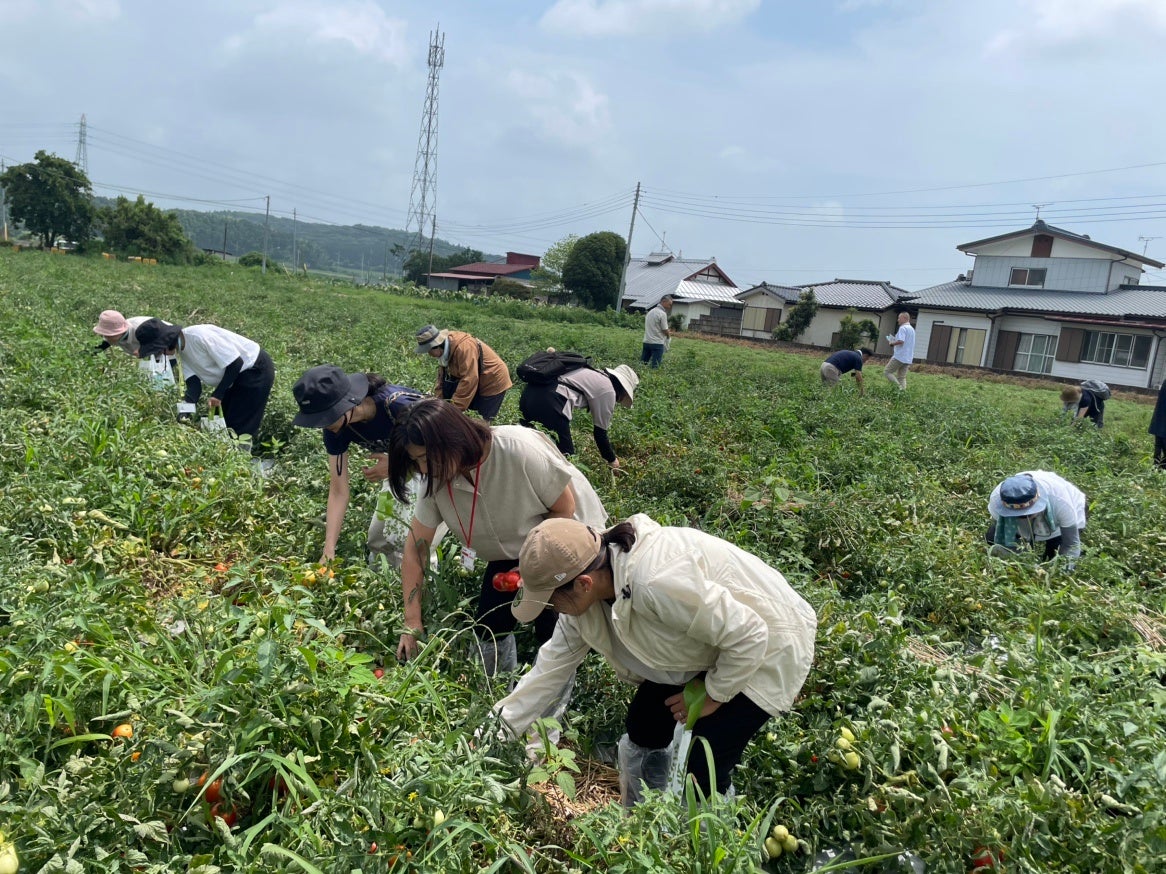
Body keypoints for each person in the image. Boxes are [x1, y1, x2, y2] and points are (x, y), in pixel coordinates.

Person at [493, 514, 816, 805]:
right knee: (645, 725)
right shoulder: (591, 593)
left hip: (770, 642)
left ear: (583, 584)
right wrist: (488, 738)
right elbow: (547, 674)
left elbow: (750, 634)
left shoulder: (655, 581)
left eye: (551, 602)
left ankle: (707, 848)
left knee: (704, 758)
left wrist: (713, 693)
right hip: (711, 642)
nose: (552, 611)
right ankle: (643, 822)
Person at [386, 398, 607, 673]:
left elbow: (564, 508)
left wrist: (533, 567)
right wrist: (411, 620)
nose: (424, 469)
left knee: (553, 627)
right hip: (513, 548)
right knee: (489, 627)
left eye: (427, 458)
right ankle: (498, 692)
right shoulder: (437, 480)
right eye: (416, 461)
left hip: (563, 539)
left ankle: (550, 699)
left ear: (453, 439)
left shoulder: (517, 449)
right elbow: (415, 551)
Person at [291, 365, 447, 568]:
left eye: (326, 416)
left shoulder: (397, 405)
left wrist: (397, 465)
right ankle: (382, 586)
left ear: (346, 403)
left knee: (417, 546)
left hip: (437, 471)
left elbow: (447, 451)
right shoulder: (335, 427)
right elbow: (338, 490)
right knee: (379, 539)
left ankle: (426, 596)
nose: (323, 424)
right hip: (401, 470)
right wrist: (328, 549)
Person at [134, 318, 275, 443]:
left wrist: (217, 394)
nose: (158, 353)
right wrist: (183, 415)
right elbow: (194, 389)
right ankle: (231, 461)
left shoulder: (198, 336)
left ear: (165, 341)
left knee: (238, 426)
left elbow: (235, 363)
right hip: (233, 379)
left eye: (157, 349)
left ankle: (241, 464)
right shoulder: (182, 352)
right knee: (224, 423)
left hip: (255, 370)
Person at [519, 360, 639, 470]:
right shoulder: (608, 391)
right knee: (566, 460)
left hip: (529, 394)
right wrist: (613, 461)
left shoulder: (594, 373)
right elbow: (600, 434)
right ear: (623, 389)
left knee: (528, 447)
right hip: (551, 401)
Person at [414, 325, 512, 421]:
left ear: (436, 346)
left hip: (492, 381)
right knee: (465, 418)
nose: (429, 355)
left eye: (428, 351)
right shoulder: (444, 351)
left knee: (481, 421)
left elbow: (469, 380)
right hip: (476, 377)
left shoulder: (464, 348)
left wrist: (451, 410)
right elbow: (441, 379)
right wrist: (438, 403)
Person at [986, 471, 1087, 563]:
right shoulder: (996, 500)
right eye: (1018, 516)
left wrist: (1063, 569)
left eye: (1028, 514)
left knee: (1055, 554)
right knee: (992, 539)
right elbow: (1007, 538)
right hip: (1016, 519)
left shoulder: (1061, 502)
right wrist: (1019, 562)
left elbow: (1071, 544)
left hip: (1065, 516)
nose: (1026, 519)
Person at [884, 311, 915, 390]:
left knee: (887, 372)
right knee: (901, 377)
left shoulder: (903, 328)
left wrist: (892, 343)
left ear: (904, 318)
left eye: (899, 318)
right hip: (908, 357)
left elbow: (901, 341)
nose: (898, 320)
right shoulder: (912, 329)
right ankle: (902, 394)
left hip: (900, 356)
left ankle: (899, 388)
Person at [641, 295, 673, 368]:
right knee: (655, 366)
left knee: (642, 364)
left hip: (646, 341)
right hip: (657, 343)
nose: (669, 307)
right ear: (663, 302)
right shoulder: (662, 314)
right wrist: (668, 335)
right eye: (669, 304)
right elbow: (665, 329)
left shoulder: (650, 312)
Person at [1150, 380, 1166, 470]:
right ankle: (1160, 469)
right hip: (1163, 423)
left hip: (1159, 421)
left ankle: (1156, 469)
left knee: (1158, 447)